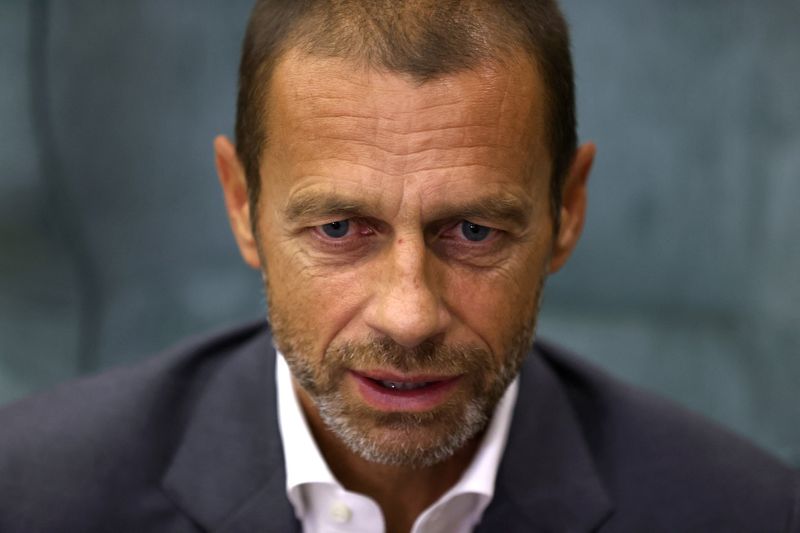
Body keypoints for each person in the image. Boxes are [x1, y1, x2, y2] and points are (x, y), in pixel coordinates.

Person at [0, 0, 797, 531]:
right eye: (340, 228)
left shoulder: (746, 514)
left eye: (475, 231)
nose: (409, 315)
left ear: (567, 210)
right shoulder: (29, 496)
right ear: (243, 204)